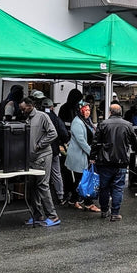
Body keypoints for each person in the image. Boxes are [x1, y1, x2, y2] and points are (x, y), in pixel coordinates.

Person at [91, 103, 137, 221]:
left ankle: (104, 210)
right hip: (121, 160)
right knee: (118, 187)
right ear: (120, 112)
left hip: (104, 160)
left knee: (104, 187)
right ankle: (115, 213)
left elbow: (95, 142)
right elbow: (135, 141)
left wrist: (92, 156)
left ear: (110, 112)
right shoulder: (128, 125)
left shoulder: (103, 124)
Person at [20, 97, 60, 226]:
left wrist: (39, 145)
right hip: (32, 157)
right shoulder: (26, 118)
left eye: (24, 108)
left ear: (31, 106)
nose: (22, 111)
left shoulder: (42, 116)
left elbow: (53, 133)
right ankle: (37, 214)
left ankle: (53, 216)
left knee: (43, 185)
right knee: (33, 187)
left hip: (42, 156)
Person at [66, 102, 100, 212]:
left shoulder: (87, 121)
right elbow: (81, 141)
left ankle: (73, 200)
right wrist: (92, 152)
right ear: (81, 111)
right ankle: (88, 203)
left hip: (84, 155)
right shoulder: (77, 122)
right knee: (83, 179)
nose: (88, 112)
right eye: (85, 110)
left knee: (81, 179)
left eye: (89, 110)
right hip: (79, 155)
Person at [41, 97, 70, 204]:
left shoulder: (39, 117)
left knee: (43, 175)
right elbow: (63, 133)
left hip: (41, 151)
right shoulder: (55, 118)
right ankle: (60, 195)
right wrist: (63, 143)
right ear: (52, 107)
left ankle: (43, 197)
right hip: (54, 150)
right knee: (56, 173)